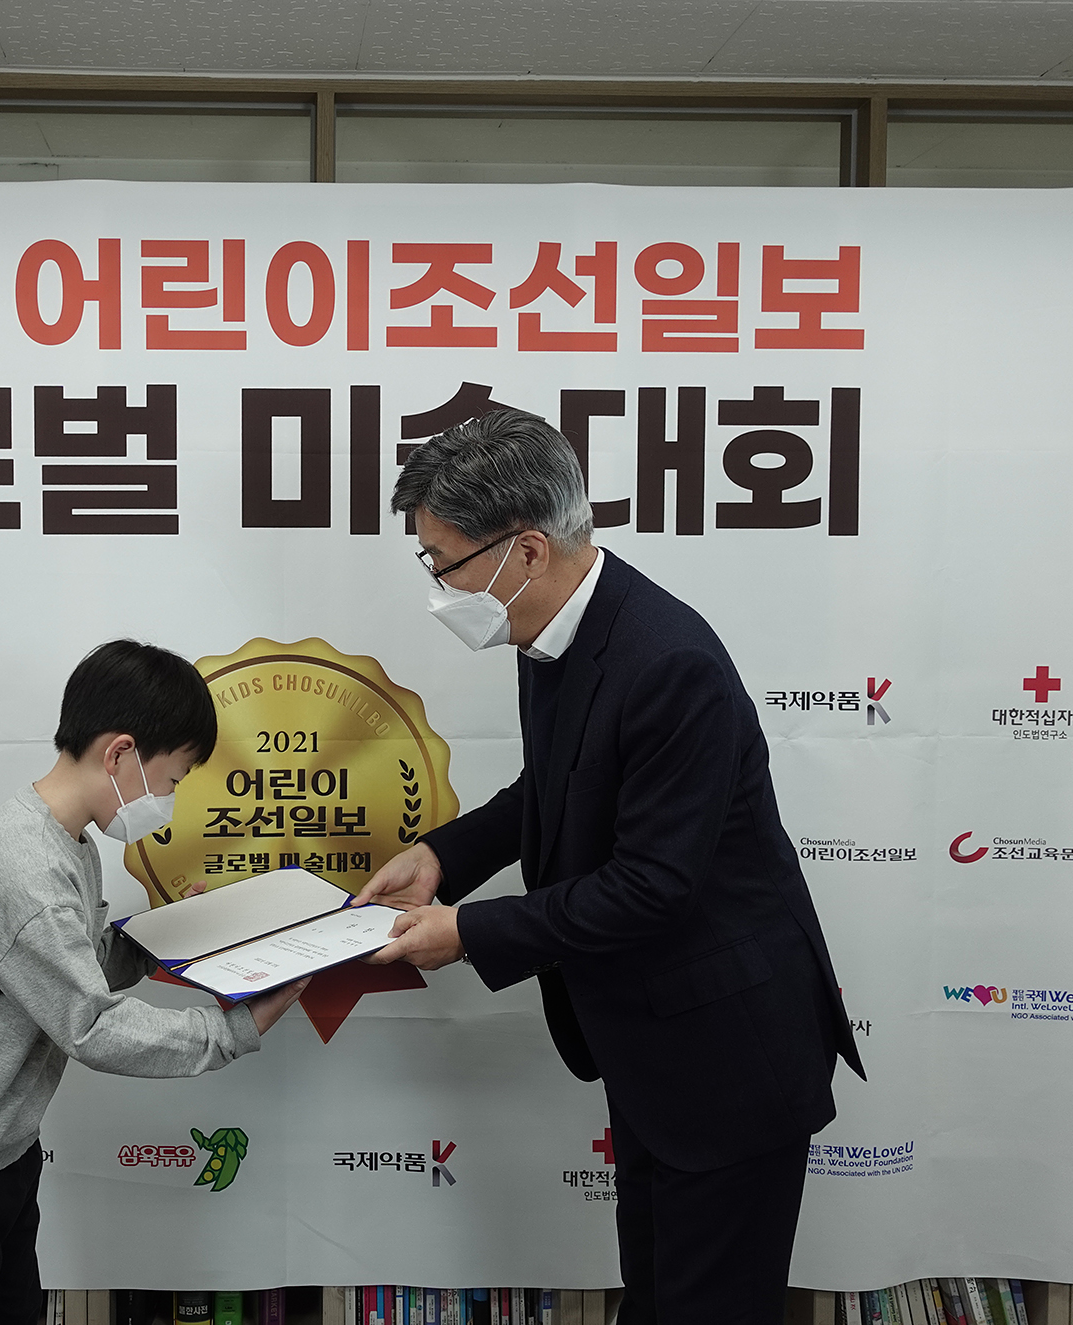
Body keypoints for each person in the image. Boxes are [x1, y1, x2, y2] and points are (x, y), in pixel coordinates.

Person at [355, 410, 863, 1325]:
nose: (439, 588)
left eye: (444, 563)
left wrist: (466, 932)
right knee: (658, 1294)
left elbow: (652, 885)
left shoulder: (668, 662)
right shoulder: (552, 628)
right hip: (652, 1046)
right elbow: (556, 784)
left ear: (527, 551)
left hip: (726, 1051)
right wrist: (442, 856)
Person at [0, 639, 307, 1325]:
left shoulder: (67, 841)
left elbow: (73, 961)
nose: (171, 801)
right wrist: (235, 1028)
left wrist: (168, 937)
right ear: (120, 753)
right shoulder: (26, 867)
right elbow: (89, 1024)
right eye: (173, 779)